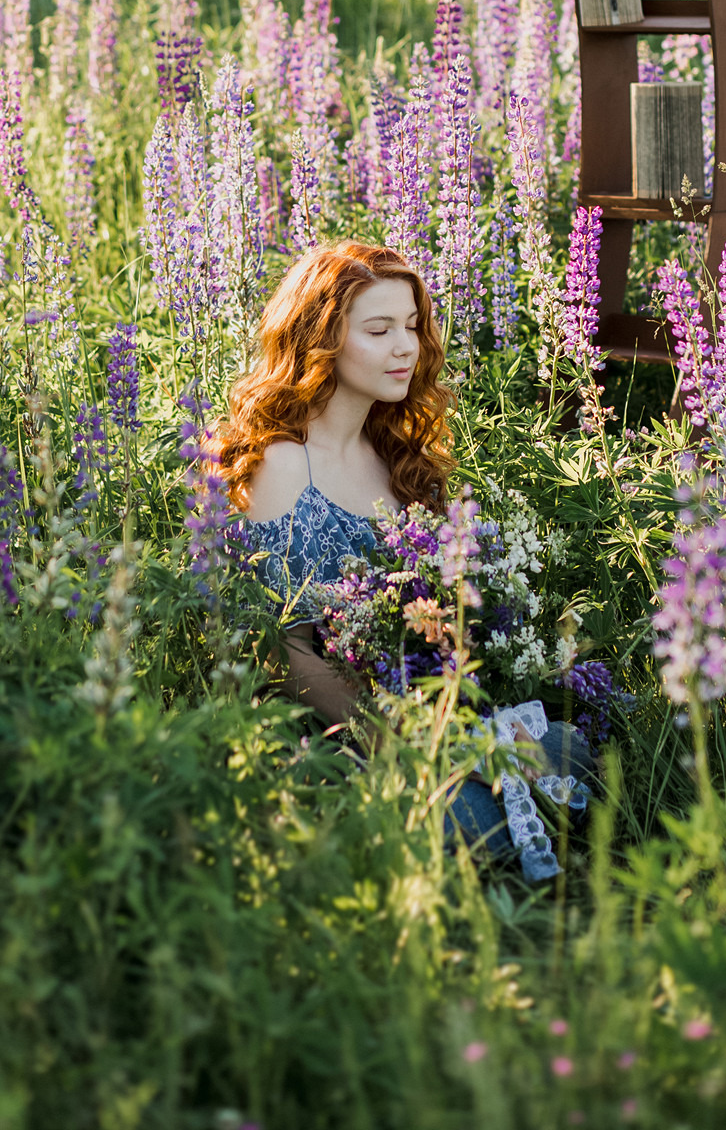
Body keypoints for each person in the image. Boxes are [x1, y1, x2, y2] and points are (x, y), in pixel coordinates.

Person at [220, 239, 594, 877]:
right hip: (337, 732)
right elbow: (281, 652)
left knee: (567, 751)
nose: (406, 347)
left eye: (413, 327)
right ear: (321, 339)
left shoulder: (391, 455)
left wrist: (474, 722)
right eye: (379, 329)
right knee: (470, 814)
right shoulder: (284, 463)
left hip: (429, 708)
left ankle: (486, 806)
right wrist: (414, 743)